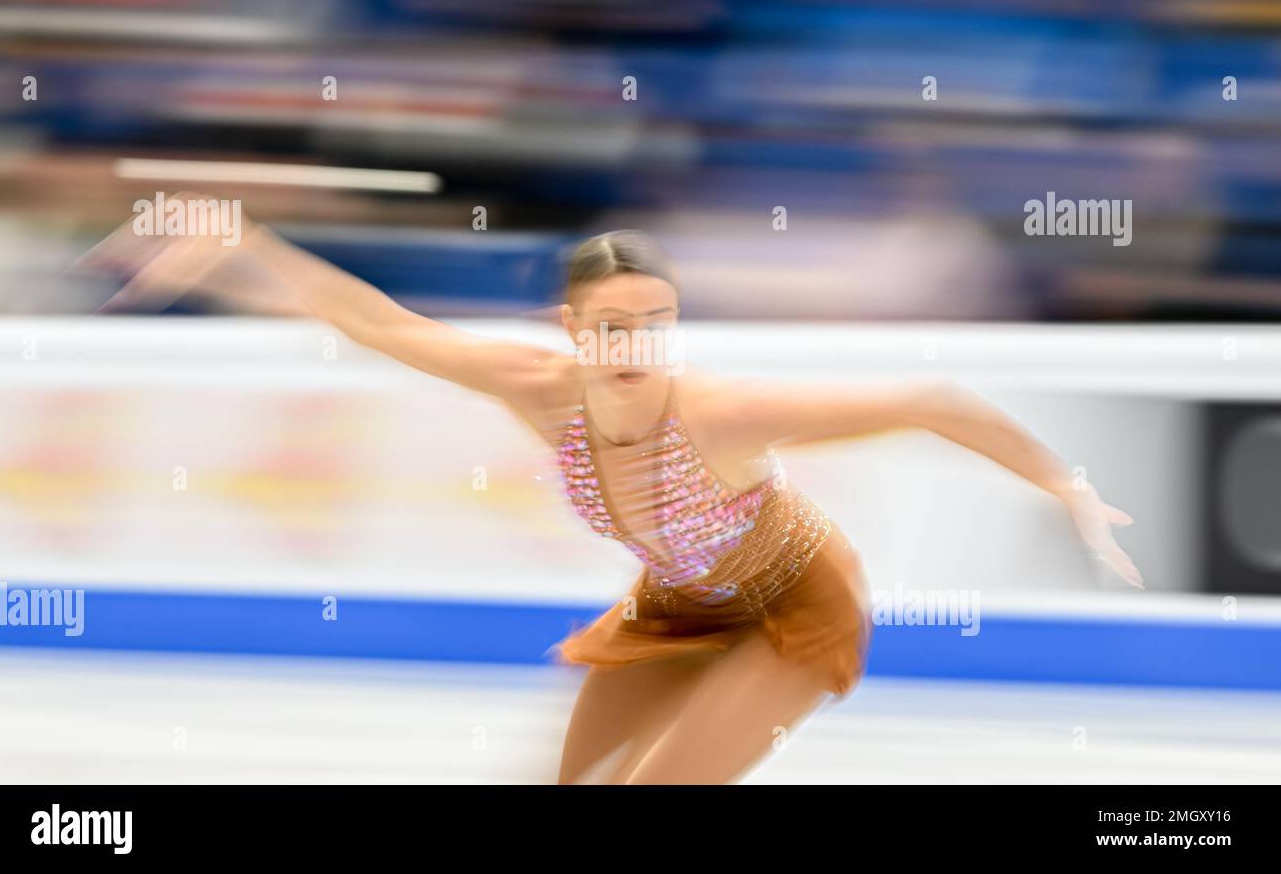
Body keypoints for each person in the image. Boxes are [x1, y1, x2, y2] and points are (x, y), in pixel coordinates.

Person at [79, 200, 1143, 784]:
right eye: (611, 323)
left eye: (654, 320)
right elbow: (379, 323)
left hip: (792, 608)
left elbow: (929, 396)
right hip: (673, 606)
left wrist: (1065, 481)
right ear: (571, 329)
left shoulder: (720, 409)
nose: (633, 342)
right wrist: (244, 244)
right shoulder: (533, 386)